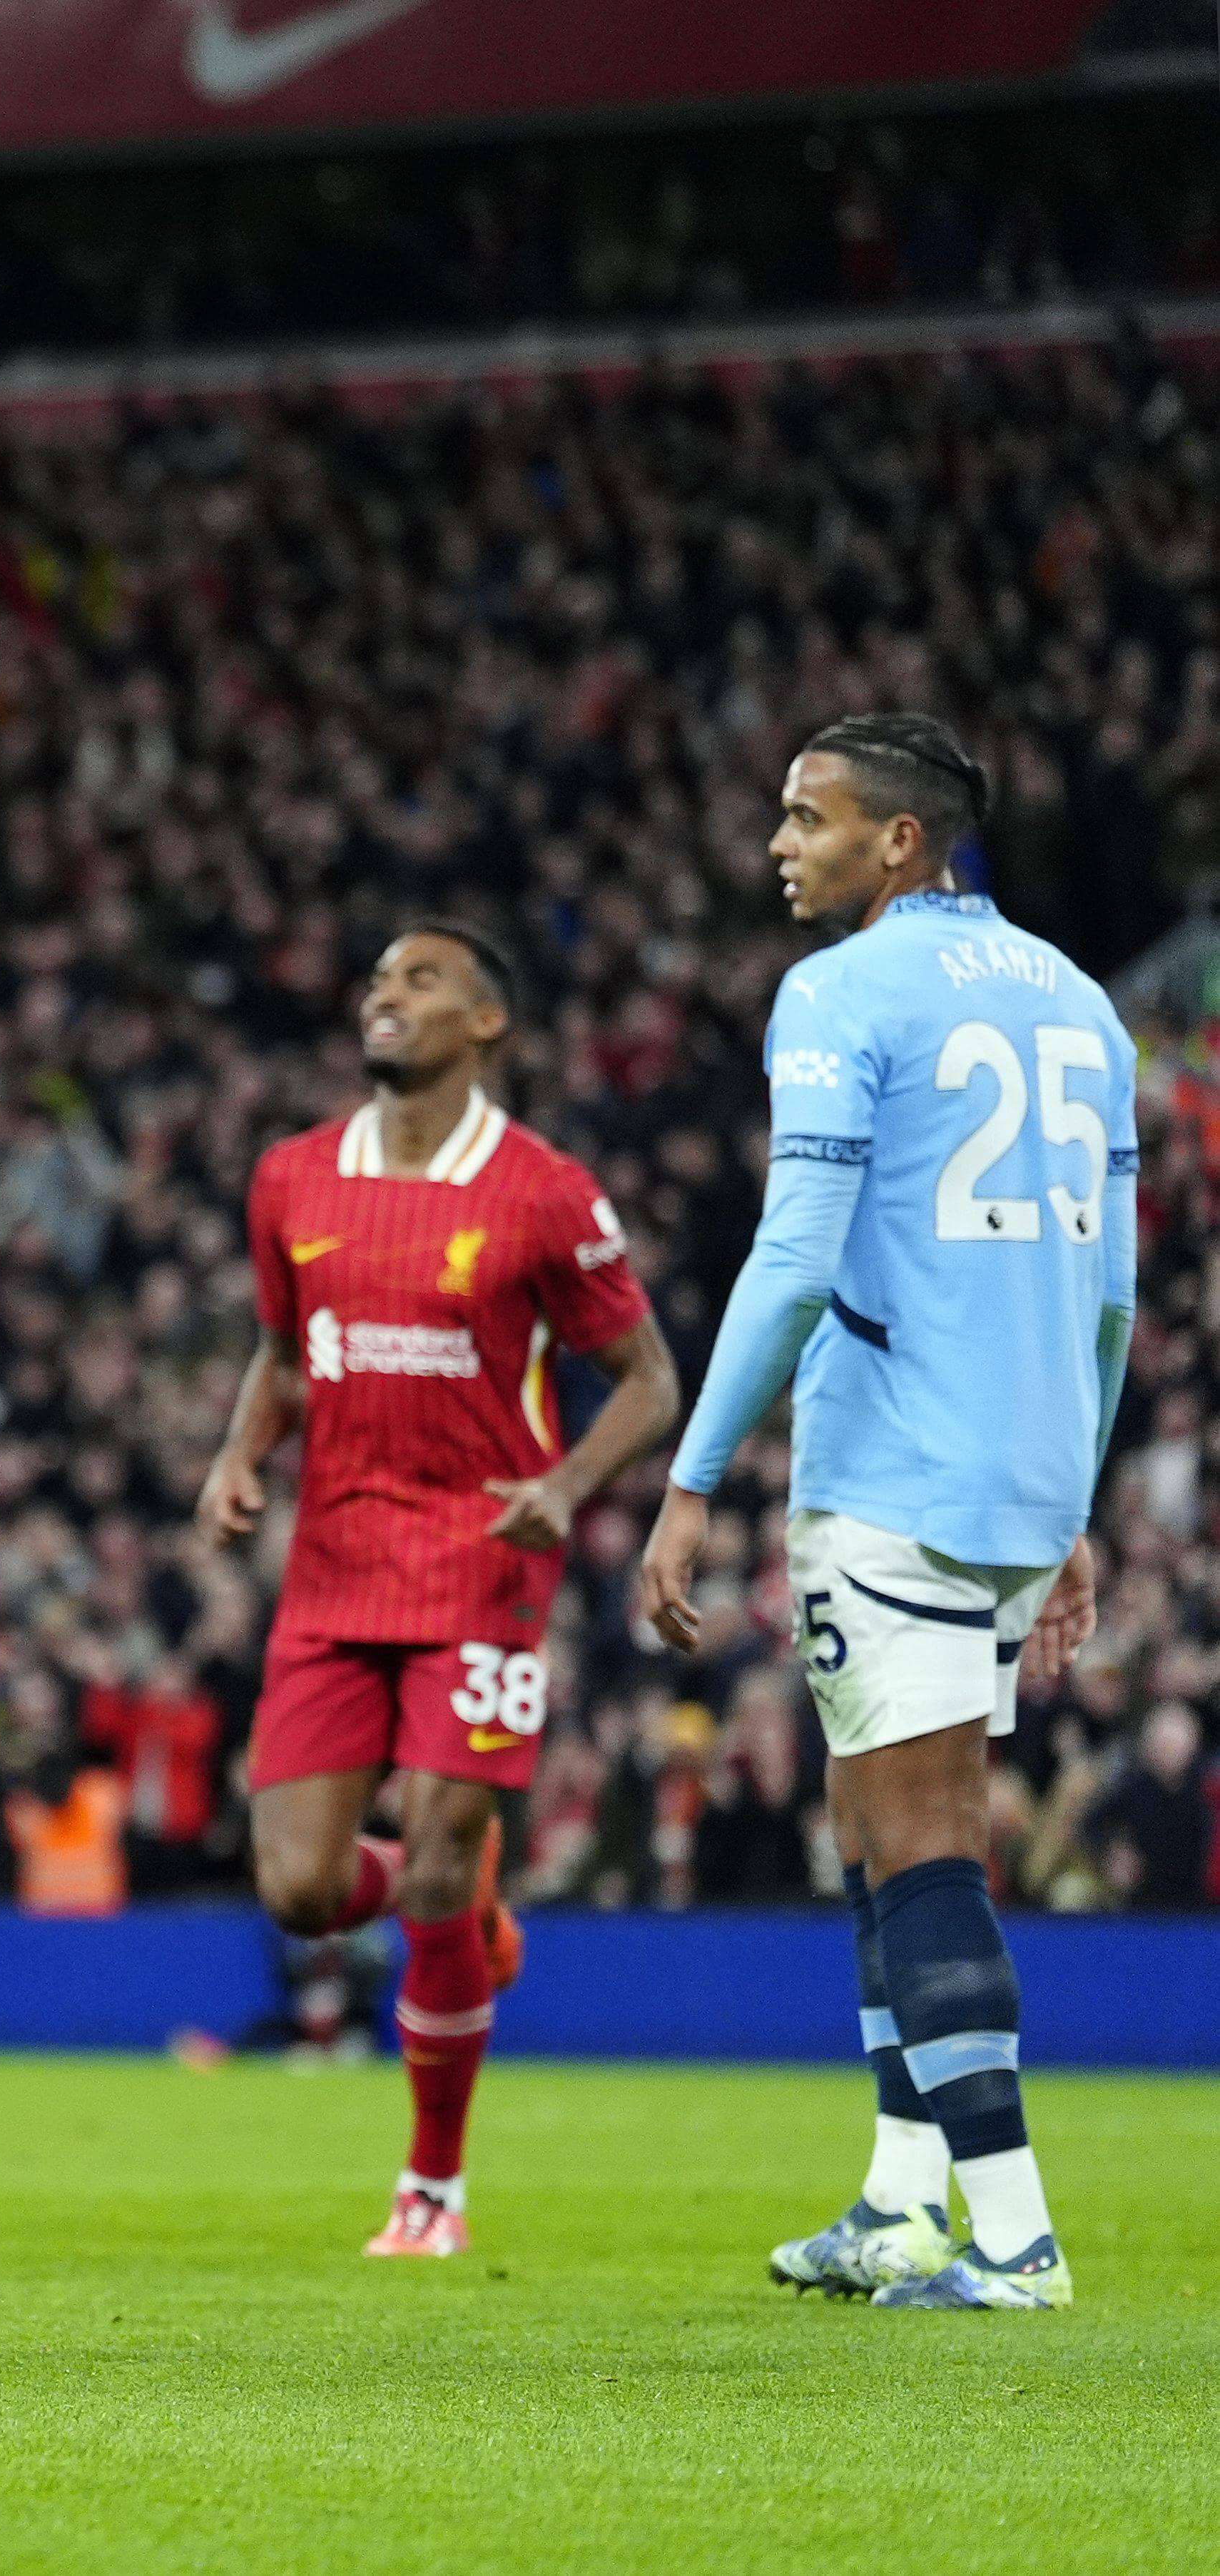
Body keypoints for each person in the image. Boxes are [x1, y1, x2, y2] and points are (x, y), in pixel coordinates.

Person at [640, 713, 1134, 2312]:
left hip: (894, 1472)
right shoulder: (1082, 999)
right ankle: (903, 2201)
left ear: (900, 842)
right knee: (875, 1823)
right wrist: (1075, 1501)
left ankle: (1017, 2234)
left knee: (923, 1846)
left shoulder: (841, 993)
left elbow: (794, 1256)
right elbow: (1115, 1294)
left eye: (810, 816)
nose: (783, 843)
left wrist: (694, 1472)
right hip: (1022, 1469)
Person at [196, 925, 678, 2257]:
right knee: (295, 1887)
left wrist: (569, 1489)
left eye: (418, 980)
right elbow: (287, 1354)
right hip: (331, 1565)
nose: (383, 994)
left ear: (485, 1023)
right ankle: (462, 1903)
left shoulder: (542, 1191)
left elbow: (649, 1381)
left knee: (436, 1859)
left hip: (482, 1564)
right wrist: (240, 1456)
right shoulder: (290, 1177)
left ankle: (432, 2188)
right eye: (374, 979)